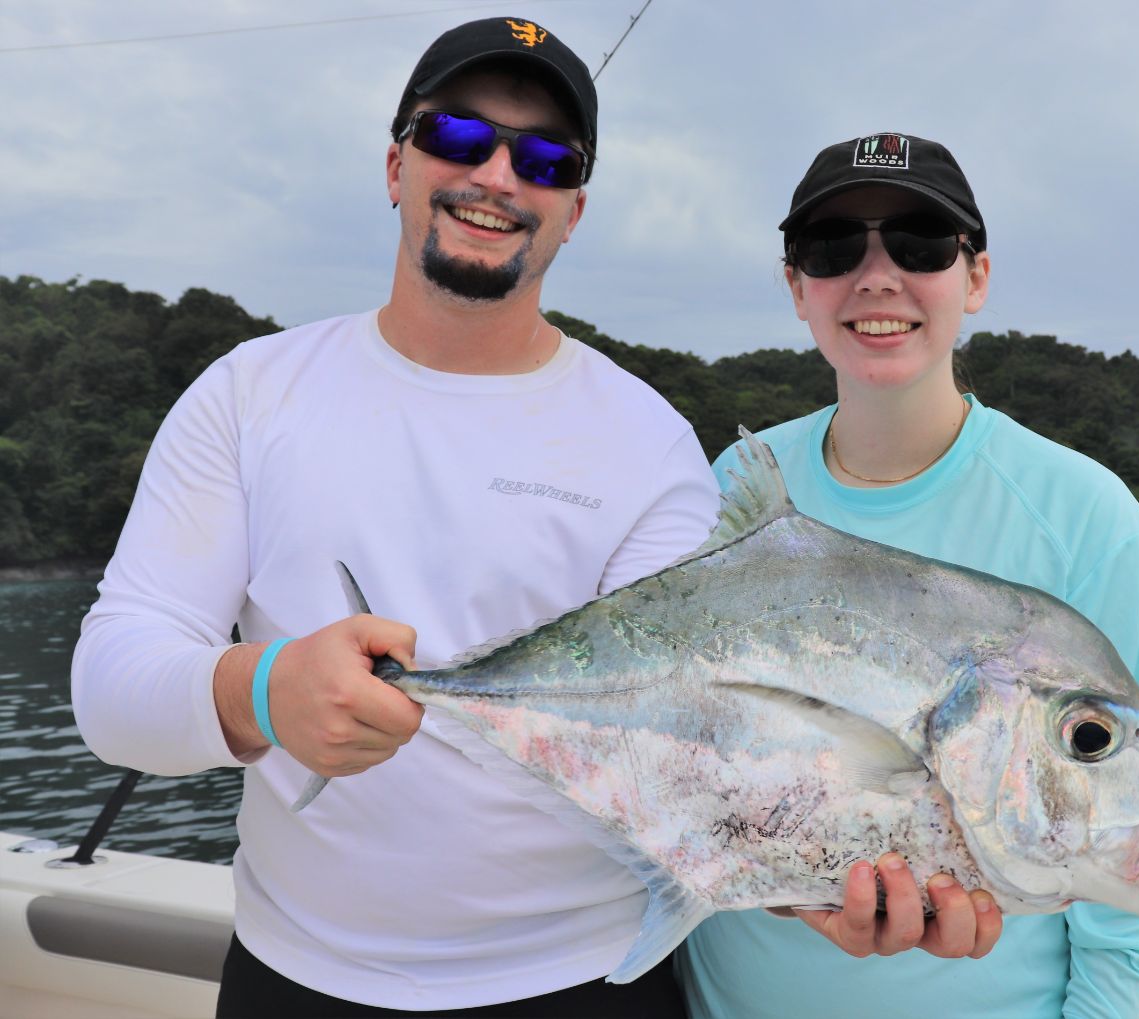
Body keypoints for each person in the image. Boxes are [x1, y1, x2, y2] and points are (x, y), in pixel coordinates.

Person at [70, 17, 725, 1017]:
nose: (499, 175)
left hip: (587, 978)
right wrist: (266, 688)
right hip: (296, 975)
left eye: (545, 158)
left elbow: (680, 743)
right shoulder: (248, 394)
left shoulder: (651, 441)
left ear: (574, 210)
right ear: (395, 163)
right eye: (459, 137)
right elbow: (112, 687)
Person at [676, 133, 1139, 1018]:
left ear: (977, 277)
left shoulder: (1088, 519)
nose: (878, 277)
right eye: (834, 249)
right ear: (798, 286)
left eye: (921, 245)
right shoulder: (733, 486)